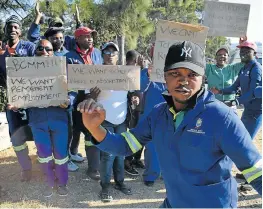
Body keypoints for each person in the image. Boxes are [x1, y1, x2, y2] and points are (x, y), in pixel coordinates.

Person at [78, 41, 262, 208]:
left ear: (203, 78)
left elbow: (256, 172)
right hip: (174, 203)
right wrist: (95, 128)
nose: (183, 81)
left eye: (192, 74)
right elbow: (126, 145)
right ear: (164, 77)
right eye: (175, 73)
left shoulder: (222, 117)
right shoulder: (159, 114)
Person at [28, 40, 69, 197]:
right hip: (37, 120)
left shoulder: (62, 69)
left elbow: (71, 91)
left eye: (48, 49)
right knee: (43, 154)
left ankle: (62, 183)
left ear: (53, 52)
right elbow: (19, 92)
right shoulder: (26, 72)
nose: (44, 51)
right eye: (40, 48)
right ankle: (49, 183)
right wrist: (17, 104)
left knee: (60, 154)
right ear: (35, 52)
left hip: (58, 118)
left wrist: (69, 100)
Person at [0, 15, 35, 182]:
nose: (12, 30)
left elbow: (41, 67)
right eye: (9, 27)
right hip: (12, 102)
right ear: (5, 30)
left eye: (15, 27)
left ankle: (47, 164)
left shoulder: (29, 47)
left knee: (39, 131)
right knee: (16, 135)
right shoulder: (0, 49)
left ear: (20, 31)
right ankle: (25, 168)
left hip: (32, 100)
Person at [44, 27, 83, 171]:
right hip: (46, 102)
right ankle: (57, 158)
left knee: (69, 130)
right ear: (48, 39)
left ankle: (66, 157)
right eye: (55, 38)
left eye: (61, 37)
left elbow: (74, 81)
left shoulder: (69, 55)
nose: (59, 40)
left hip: (66, 102)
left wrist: (70, 99)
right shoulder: (43, 55)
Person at [66, 26, 103, 176]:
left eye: (91, 36)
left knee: (91, 131)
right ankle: (71, 154)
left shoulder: (98, 54)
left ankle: (93, 167)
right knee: (74, 129)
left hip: (94, 98)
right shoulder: (68, 56)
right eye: (86, 36)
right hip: (75, 100)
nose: (90, 39)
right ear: (78, 39)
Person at [211, 40, 262, 140]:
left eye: (247, 50)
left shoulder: (256, 69)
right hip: (247, 110)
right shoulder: (244, 69)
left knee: (245, 142)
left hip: (256, 112)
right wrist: (220, 91)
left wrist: (235, 102)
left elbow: (253, 92)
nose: (243, 52)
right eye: (242, 50)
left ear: (255, 54)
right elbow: (234, 87)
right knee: (238, 139)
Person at [124, 50, 145, 176]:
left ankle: (137, 159)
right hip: (132, 110)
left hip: (141, 108)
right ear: (135, 60)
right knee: (133, 135)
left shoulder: (140, 71)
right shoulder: (126, 72)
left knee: (142, 134)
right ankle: (127, 162)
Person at [206, 44, 244, 108]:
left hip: (230, 104)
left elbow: (244, 62)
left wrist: (243, 46)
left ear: (228, 57)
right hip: (213, 103)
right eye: (219, 55)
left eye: (224, 55)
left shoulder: (232, 68)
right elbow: (198, 64)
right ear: (215, 57)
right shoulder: (209, 68)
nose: (222, 56)